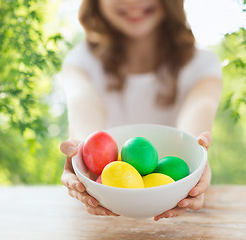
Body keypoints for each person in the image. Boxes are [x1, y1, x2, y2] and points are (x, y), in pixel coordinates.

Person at [59, 0, 222, 221]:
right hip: (100, 215)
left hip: (182, 219)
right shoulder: (80, 62)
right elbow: (83, 103)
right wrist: (82, 151)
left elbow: (198, 111)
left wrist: (196, 157)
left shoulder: (203, 63)